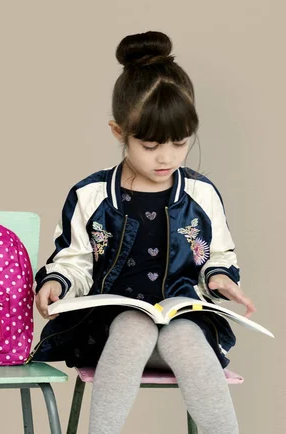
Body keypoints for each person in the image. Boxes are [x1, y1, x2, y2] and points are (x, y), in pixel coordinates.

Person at [31, 31, 256, 434]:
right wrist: (57, 284)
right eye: (151, 146)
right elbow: (75, 258)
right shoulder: (92, 194)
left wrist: (221, 279)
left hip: (182, 325)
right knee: (133, 326)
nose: (166, 157)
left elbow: (219, 255)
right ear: (120, 133)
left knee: (185, 335)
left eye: (179, 143)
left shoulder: (201, 195)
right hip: (111, 330)